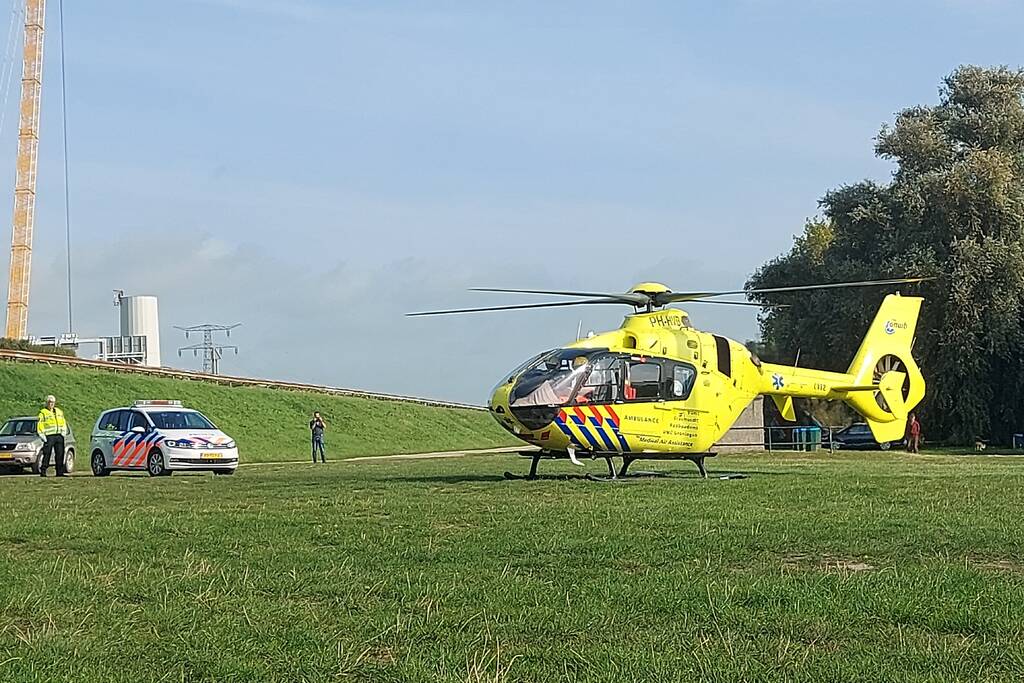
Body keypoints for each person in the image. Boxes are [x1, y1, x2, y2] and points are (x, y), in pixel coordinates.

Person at [37, 395, 69, 477]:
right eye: (49, 402)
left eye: (52, 402)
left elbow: (63, 422)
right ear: (46, 403)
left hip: (59, 435)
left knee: (60, 453)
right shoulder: (43, 412)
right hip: (49, 436)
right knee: (47, 453)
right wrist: (42, 435)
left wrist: (63, 432)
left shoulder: (59, 411)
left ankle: (59, 472)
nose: (51, 404)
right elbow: (40, 424)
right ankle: (43, 471)